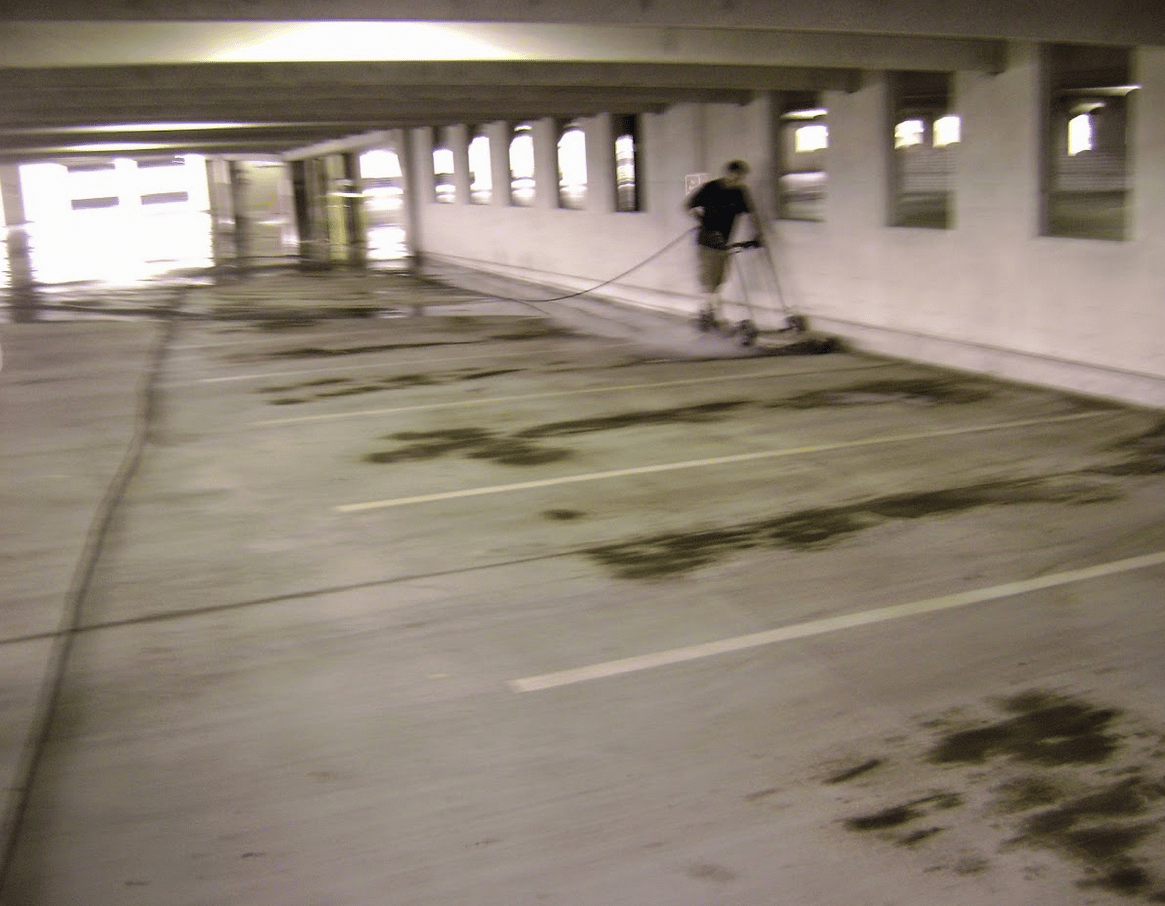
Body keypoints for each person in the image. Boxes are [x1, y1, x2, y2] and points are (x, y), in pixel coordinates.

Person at [684, 159, 762, 328]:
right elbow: (688, 207)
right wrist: (704, 223)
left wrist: (756, 235)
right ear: (728, 173)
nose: (738, 180)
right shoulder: (710, 188)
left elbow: (750, 215)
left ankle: (709, 312)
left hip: (724, 243)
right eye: (736, 176)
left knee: (718, 280)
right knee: (709, 280)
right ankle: (707, 314)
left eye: (741, 178)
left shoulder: (740, 192)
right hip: (706, 241)